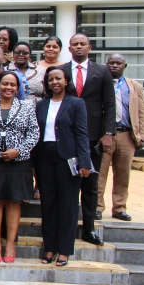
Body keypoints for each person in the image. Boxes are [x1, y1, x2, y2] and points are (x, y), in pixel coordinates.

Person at [60, 33, 115, 245]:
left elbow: (109, 104)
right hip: (67, 135)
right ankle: (68, 227)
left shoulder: (102, 71)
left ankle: (89, 228)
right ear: (70, 48)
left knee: (91, 185)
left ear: (89, 47)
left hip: (93, 136)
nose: (79, 47)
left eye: (83, 44)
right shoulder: (62, 71)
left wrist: (108, 133)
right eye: (75, 44)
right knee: (68, 183)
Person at [34, 67, 92, 267]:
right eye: (50, 79)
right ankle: (49, 248)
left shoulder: (76, 103)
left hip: (68, 158)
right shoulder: (41, 105)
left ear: (66, 80)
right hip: (44, 158)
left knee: (67, 206)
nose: (54, 82)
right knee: (48, 205)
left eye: (58, 78)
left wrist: (85, 162)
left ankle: (65, 250)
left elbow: (82, 134)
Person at [0, 71, 39, 263]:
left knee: (14, 201)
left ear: (18, 88)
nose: (9, 87)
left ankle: (11, 244)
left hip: (18, 162)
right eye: (5, 84)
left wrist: (18, 151)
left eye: (13, 85)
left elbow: (33, 133)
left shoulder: (27, 107)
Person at [98, 54, 144, 221]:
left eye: (119, 63)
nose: (115, 66)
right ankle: (97, 207)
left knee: (123, 174)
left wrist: (142, 136)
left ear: (125, 66)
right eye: (111, 63)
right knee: (100, 173)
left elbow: (141, 112)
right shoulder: (100, 84)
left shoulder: (135, 87)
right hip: (104, 136)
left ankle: (119, 208)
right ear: (106, 65)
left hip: (126, 135)